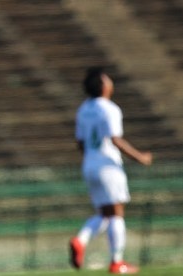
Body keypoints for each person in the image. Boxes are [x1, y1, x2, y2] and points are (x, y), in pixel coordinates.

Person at [69, 67, 153, 274]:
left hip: (89, 164)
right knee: (116, 214)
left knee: (104, 214)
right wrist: (140, 157)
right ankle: (117, 261)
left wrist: (91, 158)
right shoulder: (110, 109)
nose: (110, 83)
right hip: (107, 165)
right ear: (102, 85)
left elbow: (80, 142)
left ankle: (80, 241)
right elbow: (115, 140)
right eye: (108, 80)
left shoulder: (83, 109)